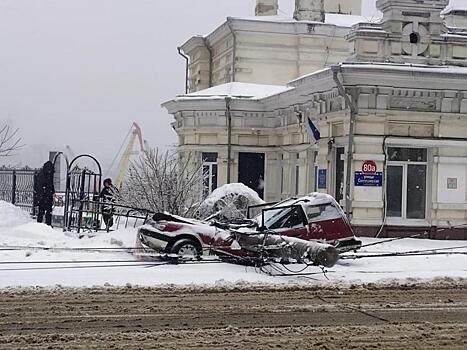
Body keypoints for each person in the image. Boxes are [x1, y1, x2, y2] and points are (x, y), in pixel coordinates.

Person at [35, 161, 55, 226]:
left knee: (47, 212)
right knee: (42, 212)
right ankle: (41, 225)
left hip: (46, 196)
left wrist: (53, 192)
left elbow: (51, 185)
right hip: (43, 197)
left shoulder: (48, 174)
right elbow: (40, 187)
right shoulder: (42, 175)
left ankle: (47, 225)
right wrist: (49, 192)